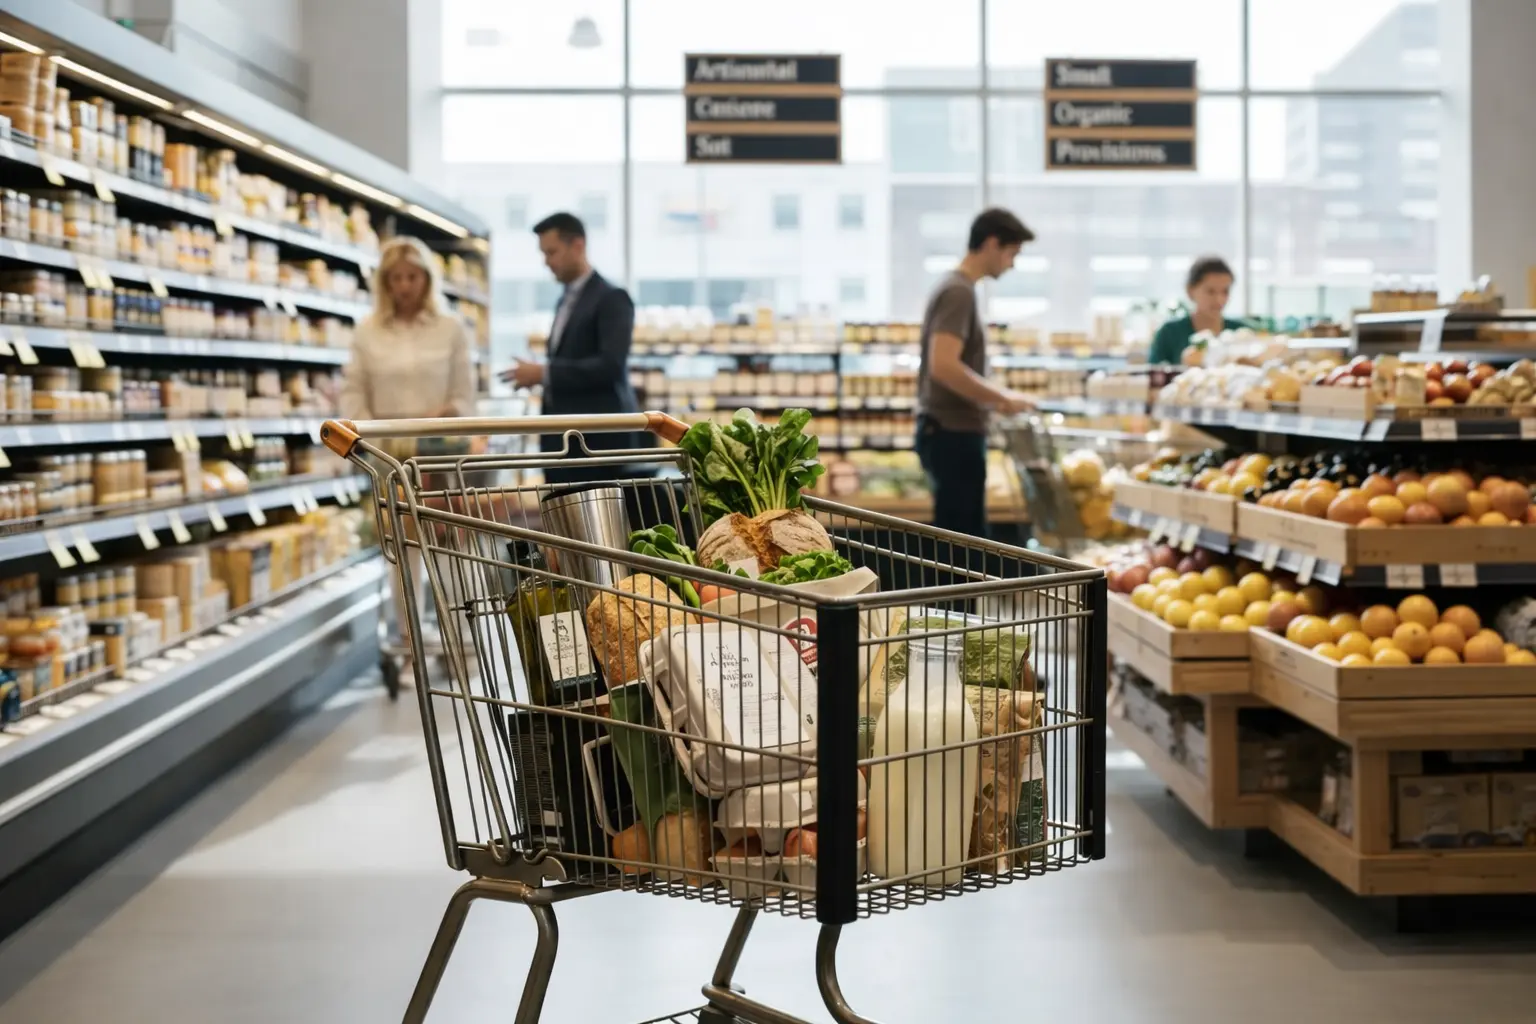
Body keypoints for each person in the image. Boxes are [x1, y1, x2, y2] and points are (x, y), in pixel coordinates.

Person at [340, 236, 474, 658]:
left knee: (450, 547)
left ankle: (459, 638)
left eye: (412, 277)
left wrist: (446, 415)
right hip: (388, 458)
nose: (404, 286)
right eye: (395, 278)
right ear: (384, 282)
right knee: (402, 551)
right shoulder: (368, 332)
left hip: (441, 454)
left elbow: (465, 395)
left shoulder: (450, 328)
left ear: (427, 278)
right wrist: (362, 437)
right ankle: (411, 640)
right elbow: (354, 393)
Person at [915, 207, 1038, 541]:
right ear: (992, 243)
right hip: (952, 433)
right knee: (962, 543)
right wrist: (1003, 397)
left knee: (960, 539)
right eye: (1012, 253)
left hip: (949, 431)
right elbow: (944, 366)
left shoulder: (957, 287)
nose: (1012, 263)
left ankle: (955, 596)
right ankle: (955, 597)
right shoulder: (959, 291)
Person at [503, 212, 646, 485]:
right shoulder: (564, 301)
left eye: (552, 252)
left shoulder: (612, 298)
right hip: (562, 442)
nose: (546, 262)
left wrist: (545, 374)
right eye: (544, 253)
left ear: (577, 245)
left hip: (598, 445)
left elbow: (611, 365)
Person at [1147, 255, 1247, 365]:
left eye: (1225, 291)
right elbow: (1154, 374)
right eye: (1210, 291)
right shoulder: (1169, 333)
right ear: (1190, 291)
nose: (1219, 300)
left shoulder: (1241, 333)